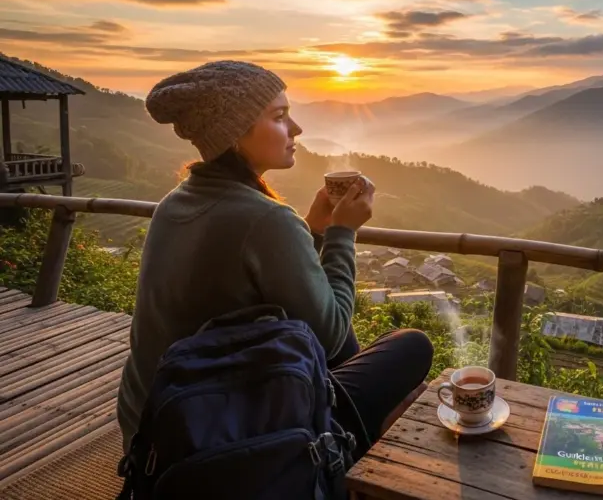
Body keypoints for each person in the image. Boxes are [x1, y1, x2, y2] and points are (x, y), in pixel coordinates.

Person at [115, 60, 434, 461]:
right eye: (280, 117)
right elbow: (331, 334)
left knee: (337, 343)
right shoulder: (266, 218)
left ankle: (356, 441)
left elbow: (258, 281)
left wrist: (312, 230)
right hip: (216, 434)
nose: (296, 129)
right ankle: (345, 455)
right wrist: (342, 233)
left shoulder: (174, 203)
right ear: (234, 136)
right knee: (411, 346)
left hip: (151, 424)